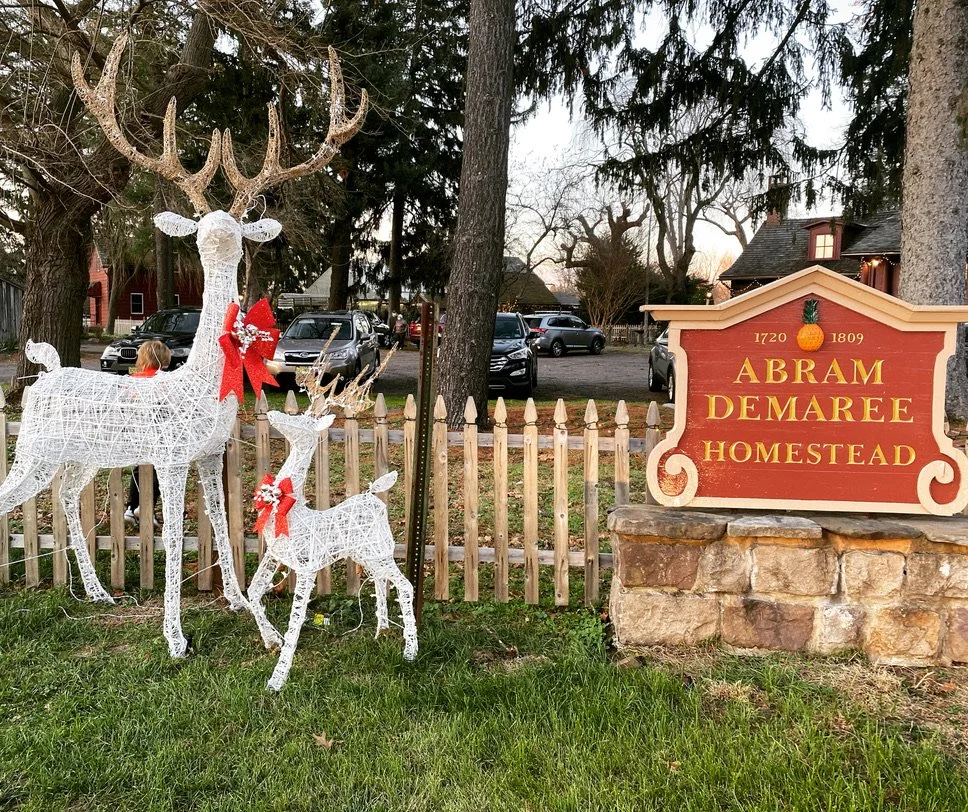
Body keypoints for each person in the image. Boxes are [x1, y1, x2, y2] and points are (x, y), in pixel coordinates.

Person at [123, 340, 171, 527]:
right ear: (163, 359)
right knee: (159, 471)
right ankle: (146, 506)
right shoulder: (165, 381)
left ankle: (130, 508)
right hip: (160, 434)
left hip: (137, 433)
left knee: (139, 469)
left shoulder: (133, 380)